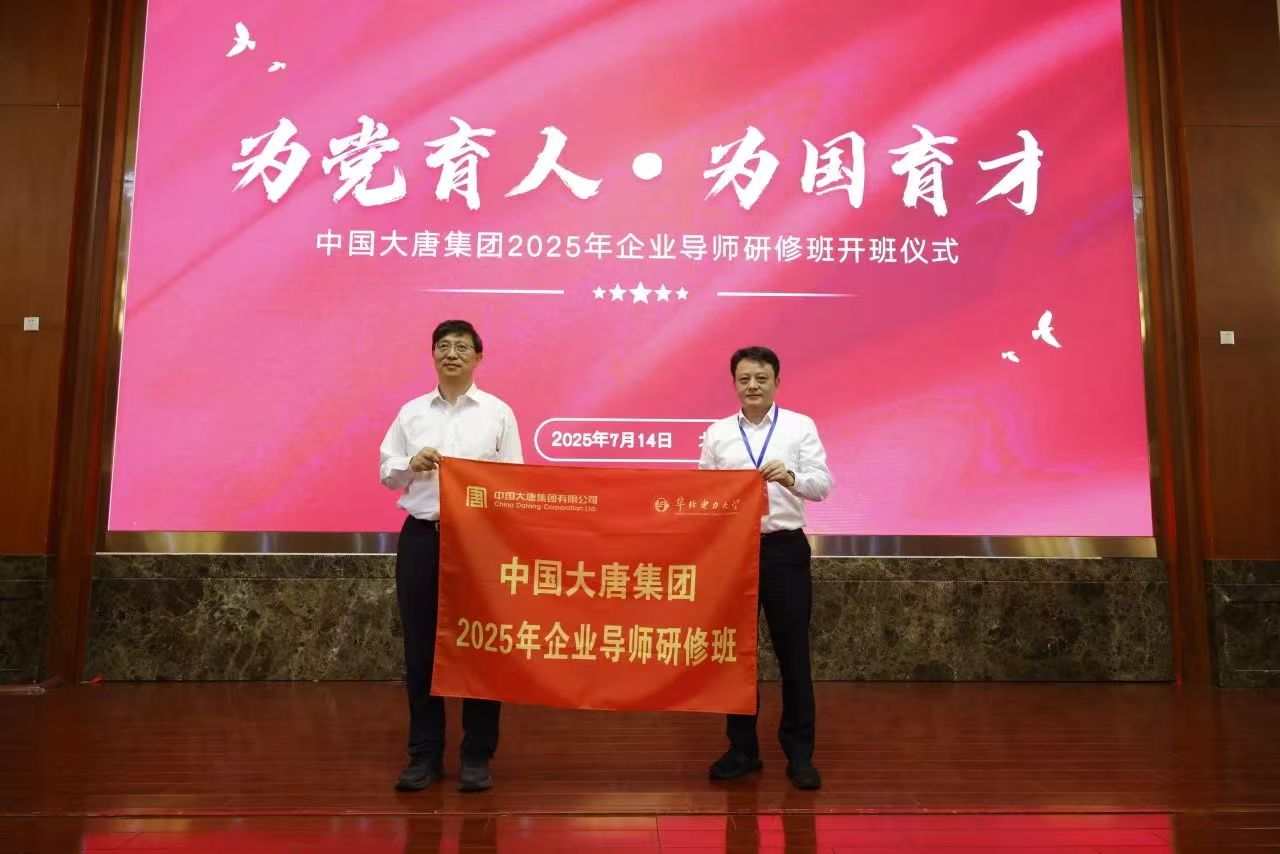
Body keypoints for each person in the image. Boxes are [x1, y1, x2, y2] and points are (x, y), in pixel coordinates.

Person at [379, 319, 522, 793]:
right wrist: (410, 463)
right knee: (421, 649)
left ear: (478, 357)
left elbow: (514, 481)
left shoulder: (498, 413)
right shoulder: (411, 413)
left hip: (480, 542)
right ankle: (424, 754)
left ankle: (478, 754)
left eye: (462, 346)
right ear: (433, 355)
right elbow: (387, 472)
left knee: (482, 647)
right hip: (423, 537)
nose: (452, 353)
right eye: (444, 346)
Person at [697, 346, 833, 791]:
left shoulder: (799, 426)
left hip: (784, 550)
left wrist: (791, 478)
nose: (752, 385)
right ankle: (742, 749)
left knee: (794, 655)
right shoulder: (717, 433)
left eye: (761, 378)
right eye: (744, 379)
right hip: (733, 553)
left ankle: (800, 753)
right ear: (734, 384)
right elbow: (702, 494)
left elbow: (823, 485)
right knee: (736, 656)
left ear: (777, 381)